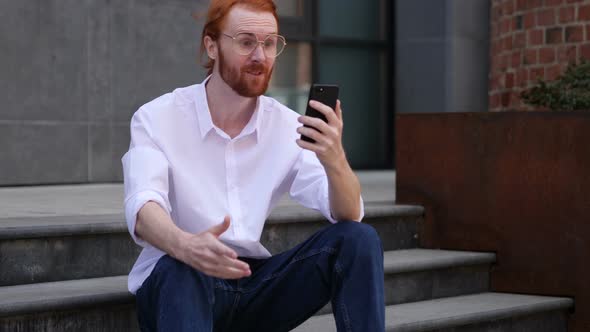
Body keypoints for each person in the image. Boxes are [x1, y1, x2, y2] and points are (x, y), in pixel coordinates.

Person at [121, 0, 385, 331]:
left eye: (270, 43)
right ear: (211, 45)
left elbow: (349, 214)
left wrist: (335, 159)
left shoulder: (288, 126)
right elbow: (143, 207)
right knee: (182, 269)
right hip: (182, 283)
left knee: (358, 239)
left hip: (253, 286)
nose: (260, 56)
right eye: (246, 42)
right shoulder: (158, 117)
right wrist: (185, 245)